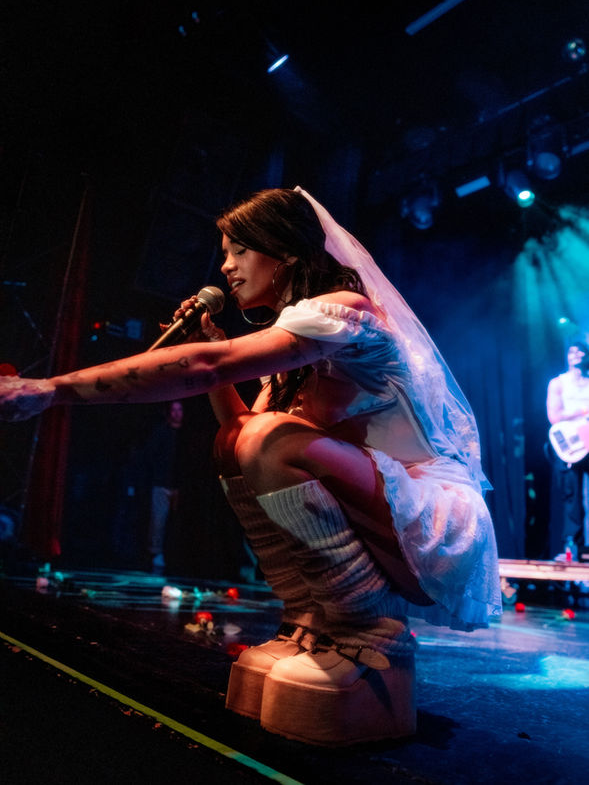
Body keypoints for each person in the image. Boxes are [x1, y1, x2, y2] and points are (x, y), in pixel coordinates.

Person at [0, 186, 501, 747]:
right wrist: (210, 349)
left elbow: (216, 374)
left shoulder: (347, 310)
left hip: (431, 517)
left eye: (239, 249)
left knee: (267, 437)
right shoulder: (296, 345)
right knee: (234, 440)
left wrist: (51, 388)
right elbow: (242, 432)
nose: (226, 266)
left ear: (283, 252)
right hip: (382, 502)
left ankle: (366, 631)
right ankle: (309, 621)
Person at [546, 341, 589, 559]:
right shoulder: (558, 383)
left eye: (581, 350)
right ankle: (573, 544)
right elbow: (554, 416)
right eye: (572, 351)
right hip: (570, 442)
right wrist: (583, 410)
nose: (577, 354)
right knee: (571, 494)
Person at [145, 400, 186, 574]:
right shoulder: (161, 432)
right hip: (161, 483)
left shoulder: (186, 435)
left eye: (179, 409)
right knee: (158, 521)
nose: (176, 413)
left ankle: (174, 554)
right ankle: (155, 553)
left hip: (179, 486)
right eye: (173, 410)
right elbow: (151, 456)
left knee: (176, 523)